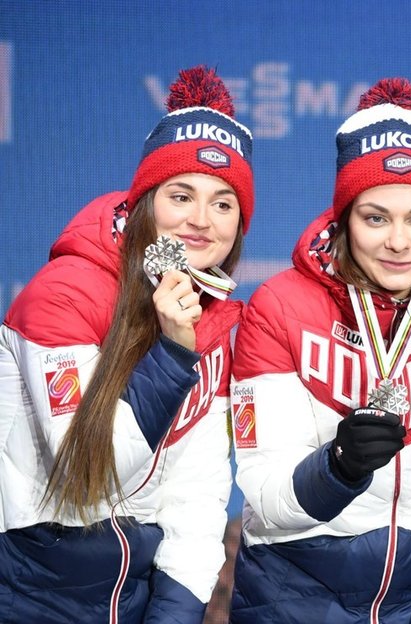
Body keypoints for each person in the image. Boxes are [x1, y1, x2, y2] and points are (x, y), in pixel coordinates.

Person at [228, 77, 411, 623]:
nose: (399, 241)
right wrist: (337, 468)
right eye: (375, 217)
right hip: (288, 600)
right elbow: (265, 497)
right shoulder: (279, 306)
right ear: (344, 217)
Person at [0, 66, 253, 622]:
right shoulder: (64, 295)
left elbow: (198, 497)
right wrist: (172, 354)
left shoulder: (209, 318)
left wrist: (175, 613)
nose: (200, 221)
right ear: (145, 202)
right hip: (30, 593)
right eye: (181, 195)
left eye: (223, 203)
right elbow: (87, 479)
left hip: (134, 602)